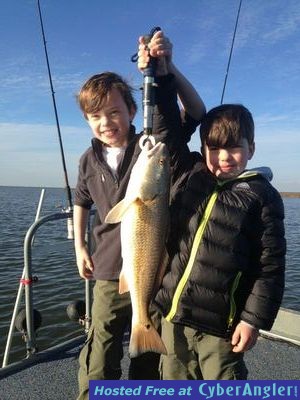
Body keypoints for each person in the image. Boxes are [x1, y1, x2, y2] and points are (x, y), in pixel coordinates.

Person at [73, 31, 205, 399]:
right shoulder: (88, 159)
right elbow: (82, 201)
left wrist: (167, 69)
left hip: (149, 270)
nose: (106, 122)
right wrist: (79, 248)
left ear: (132, 111)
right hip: (104, 268)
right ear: (87, 121)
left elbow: (196, 112)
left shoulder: (150, 142)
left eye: (114, 111)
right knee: (100, 344)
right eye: (95, 116)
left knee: (147, 356)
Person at [153, 102, 286, 380]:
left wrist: (251, 321)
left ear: (251, 148)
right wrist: (164, 72)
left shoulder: (263, 197)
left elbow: (269, 269)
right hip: (173, 316)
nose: (224, 157)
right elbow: (166, 134)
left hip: (221, 328)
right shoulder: (192, 175)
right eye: (214, 149)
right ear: (203, 150)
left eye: (234, 147)